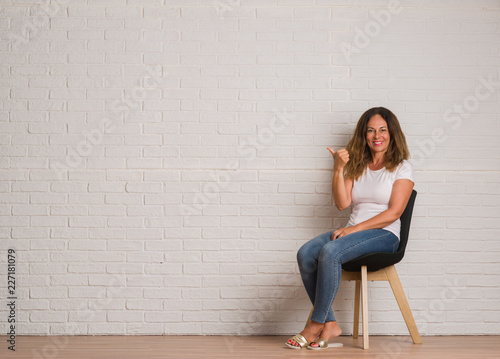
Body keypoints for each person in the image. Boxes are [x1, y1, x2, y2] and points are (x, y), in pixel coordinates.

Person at [285, 107, 415, 350]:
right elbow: (342, 203)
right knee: (306, 254)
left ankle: (315, 324)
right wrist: (337, 168)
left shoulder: (401, 167)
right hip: (355, 231)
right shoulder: (358, 164)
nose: (377, 135)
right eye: (371, 130)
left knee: (331, 251)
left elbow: (394, 213)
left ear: (392, 133)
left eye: (383, 130)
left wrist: (354, 230)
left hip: (385, 235)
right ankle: (331, 324)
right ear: (363, 135)